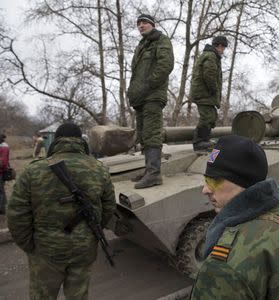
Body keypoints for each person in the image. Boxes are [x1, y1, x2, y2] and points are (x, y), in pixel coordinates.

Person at [190, 135, 279, 300]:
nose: (205, 190)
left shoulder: (223, 267)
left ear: (242, 182)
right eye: (206, 179)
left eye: (214, 181)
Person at [7, 123, 116, 300]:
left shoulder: (33, 171)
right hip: (83, 249)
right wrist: (90, 233)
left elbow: (17, 215)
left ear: (55, 141)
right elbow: (109, 207)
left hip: (46, 250)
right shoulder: (100, 169)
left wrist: (31, 246)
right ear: (81, 141)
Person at [127, 13, 174, 189]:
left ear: (152, 24)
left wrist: (148, 85)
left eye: (144, 23)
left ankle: (154, 174)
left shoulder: (161, 40)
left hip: (153, 95)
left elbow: (165, 65)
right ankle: (149, 170)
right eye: (138, 23)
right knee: (143, 134)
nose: (141, 26)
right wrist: (133, 92)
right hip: (140, 97)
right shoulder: (141, 45)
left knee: (152, 132)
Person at [190, 35, 228, 151]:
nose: (223, 50)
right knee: (207, 117)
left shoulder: (210, 55)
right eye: (223, 47)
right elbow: (209, 75)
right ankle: (199, 142)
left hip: (204, 93)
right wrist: (214, 91)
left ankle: (204, 140)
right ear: (220, 46)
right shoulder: (211, 56)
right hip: (204, 93)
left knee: (211, 116)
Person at [0, 133, 10, 214]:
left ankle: (2, 209)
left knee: (0, 191)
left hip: (1, 171)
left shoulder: (4, 147)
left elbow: (2, 162)